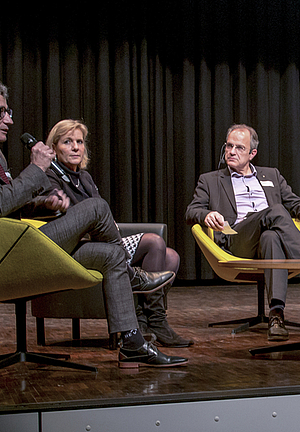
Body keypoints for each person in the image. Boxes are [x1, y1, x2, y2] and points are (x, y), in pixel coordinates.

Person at [0, 82, 187, 367]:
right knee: (97, 207)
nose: (9, 120)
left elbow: (12, 205)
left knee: (112, 254)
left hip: (29, 243)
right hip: (13, 253)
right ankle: (132, 274)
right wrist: (37, 169)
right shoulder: (45, 170)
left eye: (8, 111)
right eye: (2, 112)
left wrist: (43, 204)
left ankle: (132, 343)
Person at [185, 124, 300, 341]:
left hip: (267, 240)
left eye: (239, 148)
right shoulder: (210, 180)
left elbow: (295, 202)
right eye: (229, 146)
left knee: (270, 236)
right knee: (277, 211)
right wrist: (205, 215)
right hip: (238, 239)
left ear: (252, 153)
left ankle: (276, 316)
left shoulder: (271, 175)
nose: (232, 152)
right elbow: (191, 210)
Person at [44, 119, 193, 348]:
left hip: (103, 240)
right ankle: (152, 321)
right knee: (154, 242)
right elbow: (64, 221)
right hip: (78, 246)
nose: (75, 147)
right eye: (67, 142)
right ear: (54, 148)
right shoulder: (49, 177)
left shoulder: (84, 177)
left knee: (171, 256)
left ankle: (149, 321)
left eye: (79, 142)